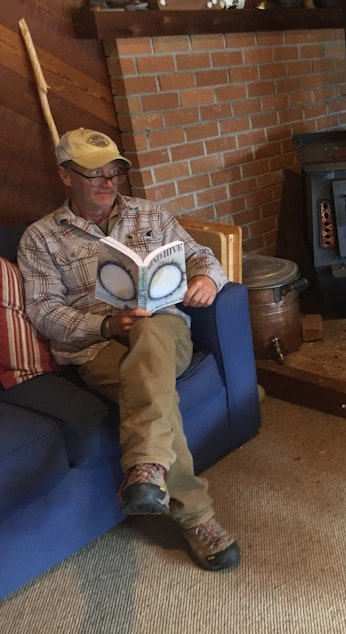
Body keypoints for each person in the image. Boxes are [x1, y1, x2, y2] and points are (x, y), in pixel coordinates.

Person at [17, 128, 240, 571]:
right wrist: (104, 322)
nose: (108, 182)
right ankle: (191, 512)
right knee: (151, 387)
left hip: (163, 328)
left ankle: (149, 470)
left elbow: (201, 256)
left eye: (114, 171)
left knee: (152, 334)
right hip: (96, 344)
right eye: (94, 173)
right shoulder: (40, 238)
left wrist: (206, 280)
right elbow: (43, 311)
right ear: (65, 176)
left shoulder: (149, 214)